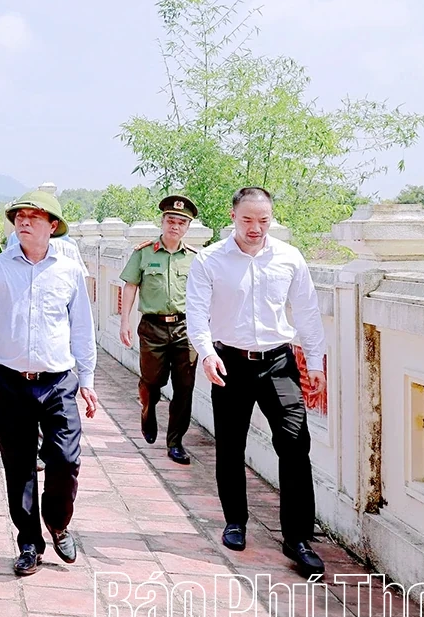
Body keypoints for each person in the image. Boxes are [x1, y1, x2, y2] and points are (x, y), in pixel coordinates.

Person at [186, 186, 327, 577]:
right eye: (247, 219)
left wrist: (315, 361)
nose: (255, 228)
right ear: (232, 216)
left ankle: (297, 537)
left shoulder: (288, 258)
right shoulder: (210, 260)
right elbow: (196, 314)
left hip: (279, 363)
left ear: (272, 218)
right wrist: (207, 353)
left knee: (296, 444)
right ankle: (235, 521)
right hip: (229, 360)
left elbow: (308, 311)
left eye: (263, 220)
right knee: (231, 445)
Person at [0, 190, 96, 576]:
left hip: (58, 382)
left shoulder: (69, 269)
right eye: (19, 216)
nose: (23, 222)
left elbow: (82, 328)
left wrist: (87, 378)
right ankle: (29, 543)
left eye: (34, 217)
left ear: (52, 226)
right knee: (19, 465)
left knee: (65, 459)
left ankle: (57, 521)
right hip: (9, 381)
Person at [120, 195, 200, 464]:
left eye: (181, 222)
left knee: (185, 386)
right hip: (152, 328)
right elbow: (130, 286)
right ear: (162, 222)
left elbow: (204, 295)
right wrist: (124, 321)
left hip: (185, 329)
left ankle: (175, 442)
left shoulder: (195, 259)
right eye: (170, 220)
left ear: (187, 227)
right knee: (152, 382)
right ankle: (147, 407)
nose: (174, 226)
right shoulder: (143, 252)